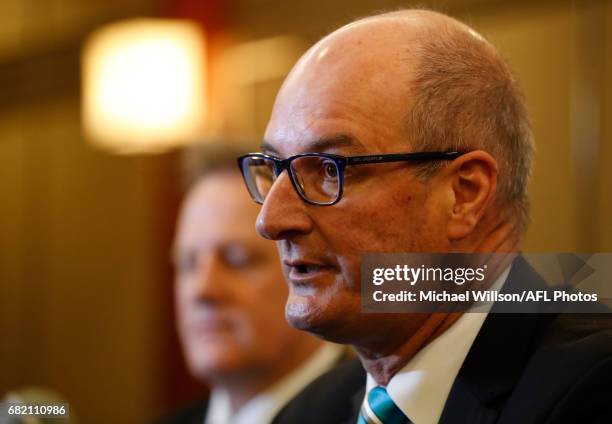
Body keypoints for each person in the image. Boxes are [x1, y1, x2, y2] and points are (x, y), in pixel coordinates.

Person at [236, 9, 612, 424]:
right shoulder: (307, 413)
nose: (271, 221)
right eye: (274, 169)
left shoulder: (594, 387)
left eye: (330, 168)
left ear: (464, 194)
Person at [160, 144, 346, 424]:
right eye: (188, 263)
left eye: (237, 260)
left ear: (309, 266)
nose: (203, 290)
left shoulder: (382, 412)